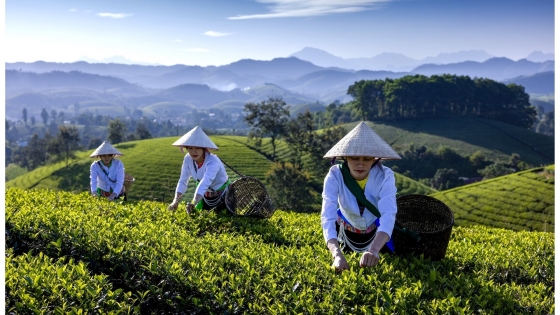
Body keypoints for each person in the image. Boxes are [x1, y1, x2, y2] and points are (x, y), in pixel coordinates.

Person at [321, 121, 402, 272]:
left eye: (367, 159)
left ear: (374, 160)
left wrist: (374, 250)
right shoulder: (334, 176)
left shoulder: (385, 176)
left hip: (377, 234)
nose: (360, 164)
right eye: (354, 158)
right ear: (345, 158)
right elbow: (327, 216)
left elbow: (388, 214)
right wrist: (336, 254)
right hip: (345, 233)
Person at [168, 126, 230, 214]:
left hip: (223, 197)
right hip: (205, 196)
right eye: (190, 148)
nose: (193, 151)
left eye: (197, 148)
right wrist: (175, 201)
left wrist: (193, 202)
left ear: (203, 148)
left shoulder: (213, 162)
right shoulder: (188, 159)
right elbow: (183, 180)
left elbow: (205, 182)